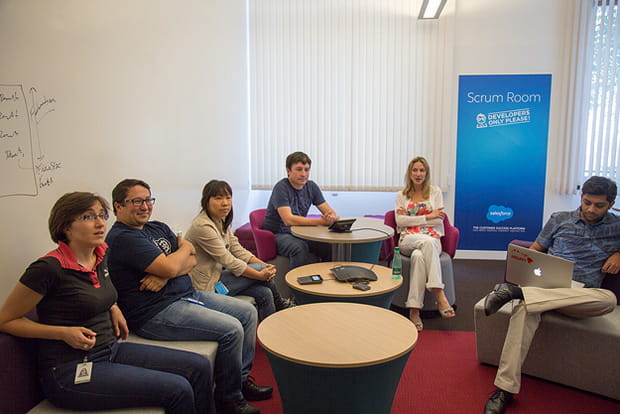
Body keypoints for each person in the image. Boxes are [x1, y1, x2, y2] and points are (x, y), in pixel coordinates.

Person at [0, 192, 213, 414]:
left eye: (102, 215)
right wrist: (63, 332)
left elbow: (93, 291)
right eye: (88, 217)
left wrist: (113, 306)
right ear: (65, 227)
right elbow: (5, 320)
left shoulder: (101, 255)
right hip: (70, 369)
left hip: (110, 349)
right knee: (178, 389)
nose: (100, 222)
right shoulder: (47, 268)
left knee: (199, 366)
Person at [105, 179, 272, 414]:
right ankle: (229, 398)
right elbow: (180, 260)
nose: (145, 206)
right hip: (156, 311)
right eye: (136, 201)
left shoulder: (157, 227)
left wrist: (167, 271)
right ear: (118, 206)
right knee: (232, 329)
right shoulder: (123, 238)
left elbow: (191, 259)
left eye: (148, 200)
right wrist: (177, 258)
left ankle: (241, 381)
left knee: (247, 312)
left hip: (187, 293)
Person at [482, 176, 620, 414]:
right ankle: (505, 389)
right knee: (525, 310)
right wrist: (525, 264)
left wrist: (619, 253)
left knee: (608, 299)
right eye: (587, 202)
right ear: (581, 197)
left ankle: (517, 293)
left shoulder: (617, 226)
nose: (590, 209)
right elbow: (535, 251)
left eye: (598, 205)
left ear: (611, 203)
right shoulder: (559, 219)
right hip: (549, 288)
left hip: (583, 296)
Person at [185, 180, 293, 320]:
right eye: (218, 198)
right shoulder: (202, 226)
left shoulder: (220, 220)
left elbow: (237, 249)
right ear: (206, 201)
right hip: (206, 287)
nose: (225, 203)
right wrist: (260, 273)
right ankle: (280, 304)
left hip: (219, 277)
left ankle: (272, 328)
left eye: (228, 197)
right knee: (260, 269)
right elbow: (229, 260)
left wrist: (264, 266)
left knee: (264, 292)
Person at [394, 156, 455, 331]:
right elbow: (400, 222)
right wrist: (428, 216)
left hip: (432, 238)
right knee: (424, 244)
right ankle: (439, 293)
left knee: (419, 256)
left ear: (426, 173)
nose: (418, 174)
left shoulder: (435, 192)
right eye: (415, 170)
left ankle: (414, 309)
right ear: (409, 173)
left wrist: (411, 218)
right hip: (408, 239)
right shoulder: (401, 195)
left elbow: (438, 222)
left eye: (421, 170)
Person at [261, 151, 339, 269]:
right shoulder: (281, 187)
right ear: (288, 170)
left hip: (298, 232)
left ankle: (326, 281)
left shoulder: (311, 186)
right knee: (299, 247)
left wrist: (331, 217)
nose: (303, 174)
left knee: (328, 245)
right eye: (299, 169)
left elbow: (329, 211)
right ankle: (299, 286)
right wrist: (321, 222)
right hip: (278, 233)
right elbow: (288, 220)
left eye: (306, 170)